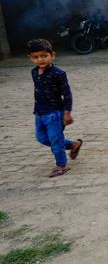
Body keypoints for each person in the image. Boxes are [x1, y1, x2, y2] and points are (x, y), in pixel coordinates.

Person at [27, 39, 83, 177]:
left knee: (55, 140)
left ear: (52, 55)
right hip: (40, 113)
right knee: (41, 138)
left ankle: (61, 165)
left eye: (44, 56)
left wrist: (67, 113)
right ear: (30, 58)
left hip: (54, 114)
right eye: (36, 57)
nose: (40, 59)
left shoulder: (58, 74)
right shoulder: (34, 73)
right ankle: (73, 145)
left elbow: (67, 94)